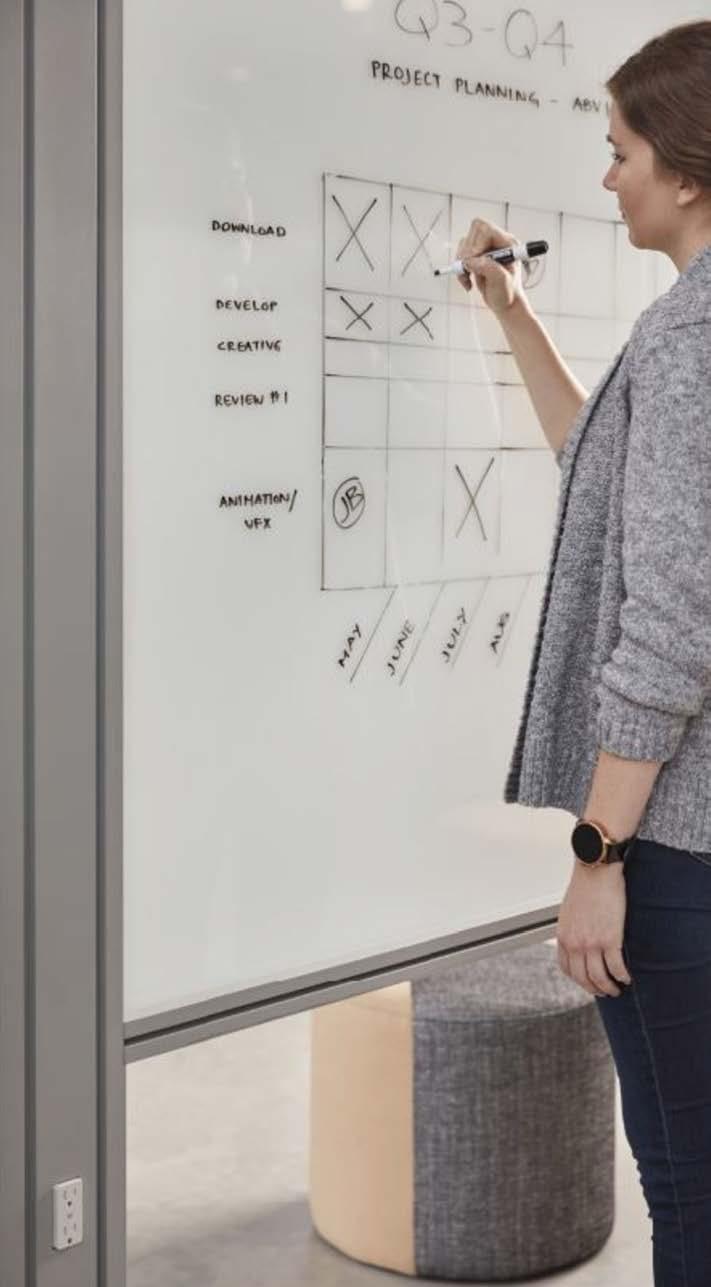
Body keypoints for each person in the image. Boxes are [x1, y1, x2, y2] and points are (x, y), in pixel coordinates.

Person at [456, 20, 711, 1286]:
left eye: (619, 150)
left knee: (688, 1187)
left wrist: (598, 854)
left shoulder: (694, 340)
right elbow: (609, 482)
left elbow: (674, 621)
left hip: (679, 846)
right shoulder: (681, 337)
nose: (606, 178)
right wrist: (516, 317)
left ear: (688, 167)